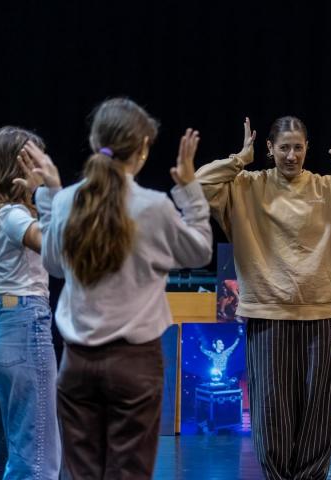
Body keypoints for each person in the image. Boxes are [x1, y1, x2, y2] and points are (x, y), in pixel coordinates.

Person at [196, 116, 331, 479]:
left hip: (321, 315)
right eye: (284, 148)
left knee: (318, 411)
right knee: (271, 409)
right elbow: (199, 183)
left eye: (298, 147)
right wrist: (239, 159)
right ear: (269, 149)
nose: (291, 155)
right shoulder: (246, 186)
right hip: (268, 315)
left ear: (307, 149)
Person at [25, 98, 213, 479]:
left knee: (82, 473)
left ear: (95, 142)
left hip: (78, 363)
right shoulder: (154, 207)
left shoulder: (67, 201)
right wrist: (190, 190)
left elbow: (53, 264)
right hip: (135, 365)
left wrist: (51, 196)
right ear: (142, 149)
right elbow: (200, 251)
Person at [0, 127, 60, 479]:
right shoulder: (14, 216)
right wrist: (48, 192)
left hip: (6, 326)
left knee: (27, 452)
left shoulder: (1, 213)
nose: (44, 167)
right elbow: (54, 248)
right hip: (24, 328)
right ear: (18, 167)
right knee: (39, 458)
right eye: (37, 161)